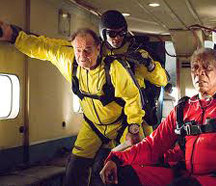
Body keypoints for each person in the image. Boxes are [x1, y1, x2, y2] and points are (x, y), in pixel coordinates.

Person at [0, 22, 146, 186]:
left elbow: (134, 97)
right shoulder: (70, 62)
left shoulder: (114, 69)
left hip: (120, 125)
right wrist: (13, 36)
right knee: (74, 168)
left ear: (98, 48)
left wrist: (134, 127)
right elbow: (44, 48)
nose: (82, 55)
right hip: (93, 127)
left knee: (116, 170)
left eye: (87, 50)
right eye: (78, 50)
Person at [100, 48, 216, 186]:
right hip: (186, 174)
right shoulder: (182, 108)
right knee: (121, 174)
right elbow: (153, 146)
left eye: (207, 68)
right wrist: (116, 158)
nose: (200, 73)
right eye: (195, 68)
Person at [99, 10, 169, 136]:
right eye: (112, 33)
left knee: (145, 150)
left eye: (121, 33)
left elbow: (162, 80)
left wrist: (150, 65)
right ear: (103, 33)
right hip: (107, 113)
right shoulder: (97, 52)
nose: (117, 38)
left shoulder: (136, 52)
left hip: (136, 111)